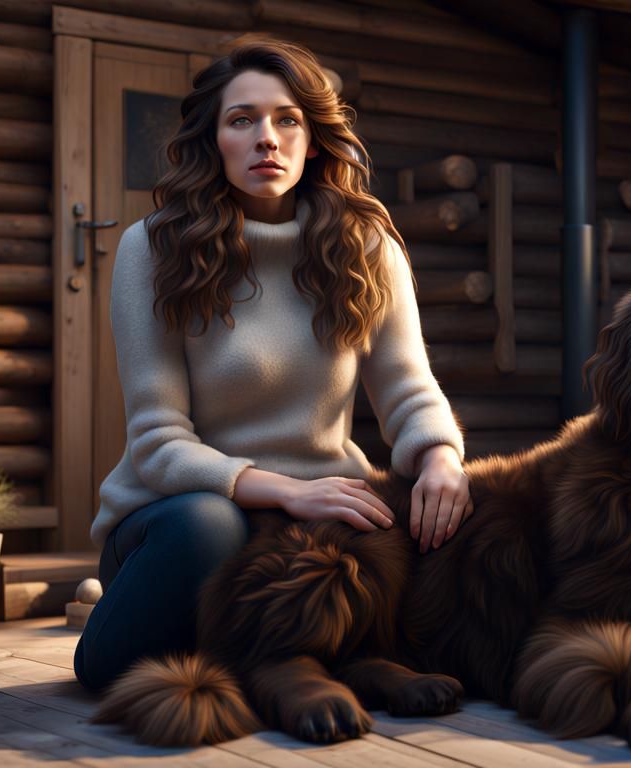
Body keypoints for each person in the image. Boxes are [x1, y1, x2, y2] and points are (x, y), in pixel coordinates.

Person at [73, 39, 471, 693]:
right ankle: (139, 631)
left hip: (312, 532)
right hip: (183, 523)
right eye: (242, 120)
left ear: (314, 139)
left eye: (287, 119)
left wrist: (441, 460)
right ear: (214, 139)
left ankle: (283, 657)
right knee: (209, 525)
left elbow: (408, 390)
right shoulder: (153, 247)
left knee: (449, 517)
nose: (267, 138)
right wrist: (286, 489)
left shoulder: (366, 243)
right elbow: (159, 443)